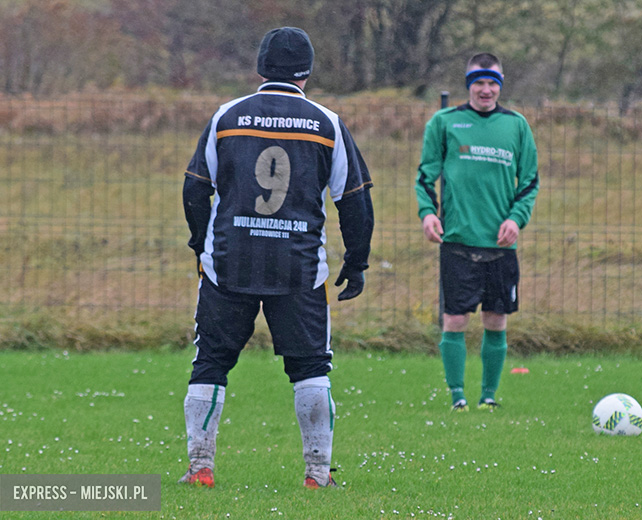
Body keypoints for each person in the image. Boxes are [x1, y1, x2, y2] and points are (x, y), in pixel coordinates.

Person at [179, 26, 373, 489]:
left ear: (261, 67)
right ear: (307, 71)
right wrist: (357, 261)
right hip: (300, 269)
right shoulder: (327, 123)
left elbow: (194, 188)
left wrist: (200, 245)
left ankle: (201, 468)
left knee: (211, 362)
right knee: (310, 367)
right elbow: (355, 200)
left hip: (229, 262)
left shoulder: (227, 116)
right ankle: (317, 474)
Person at [415, 52, 539, 412]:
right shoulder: (445, 122)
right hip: (456, 239)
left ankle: (488, 396)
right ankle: (458, 396)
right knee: (454, 319)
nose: (486, 89)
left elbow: (530, 182)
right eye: (479, 82)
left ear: (500, 85)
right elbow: (425, 175)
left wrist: (516, 219)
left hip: (500, 242)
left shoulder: (517, 126)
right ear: (469, 85)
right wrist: (427, 214)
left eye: (492, 82)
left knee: (496, 319)